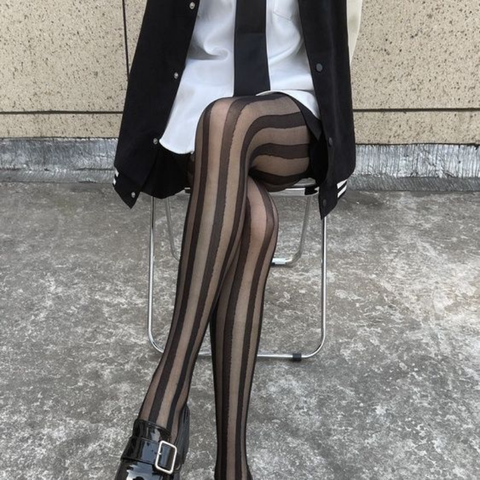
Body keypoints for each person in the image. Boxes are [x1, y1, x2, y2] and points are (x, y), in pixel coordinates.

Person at [113, 0, 364, 479]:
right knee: (253, 220)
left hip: (291, 104)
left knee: (229, 121)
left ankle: (164, 405)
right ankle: (233, 469)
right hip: (195, 105)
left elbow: (342, 30)